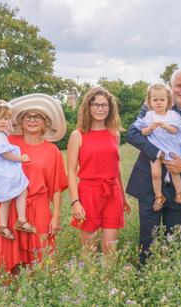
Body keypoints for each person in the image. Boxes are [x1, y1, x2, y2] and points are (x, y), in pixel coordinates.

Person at [126, 68, 181, 264]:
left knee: (175, 241)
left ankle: (173, 282)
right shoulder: (153, 109)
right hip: (149, 185)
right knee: (148, 240)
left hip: (180, 188)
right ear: (171, 87)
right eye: (179, 85)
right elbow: (132, 134)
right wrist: (158, 153)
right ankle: (144, 280)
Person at [0, 93, 68, 274]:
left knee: (42, 258)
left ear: (46, 122)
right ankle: (14, 297)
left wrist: (56, 215)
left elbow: (57, 186)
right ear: (20, 121)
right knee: (12, 261)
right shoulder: (8, 143)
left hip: (40, 207)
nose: (32, 120)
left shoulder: (52, 151)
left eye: (38, 116)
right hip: (11, 207)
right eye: (28, 116)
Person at [67, 87, 130, 257]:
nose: (100, 109)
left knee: (110, 249)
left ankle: (108, 283)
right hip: (88, 194)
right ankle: (88, 283)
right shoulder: (77, 135)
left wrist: (123, 197)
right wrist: (75, 202)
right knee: (89, 248)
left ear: (110, 108)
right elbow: (71, 172)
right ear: (87, 107)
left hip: (112, 193)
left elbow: (116, 169)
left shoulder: (114, 134)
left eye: (104, 105)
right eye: (95, 105)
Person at [133, 83, 181, 210]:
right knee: (155, 174)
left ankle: (179, 193)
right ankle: (159, 196)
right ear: (150, 102)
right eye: (155, 100)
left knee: (174, 171)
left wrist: (165, 126)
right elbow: (143, 132)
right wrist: (150, 128)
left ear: (168, 101)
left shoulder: (172, 115)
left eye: (162, 100)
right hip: (156, 148)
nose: (158, 103)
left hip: (170, 147)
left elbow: (176, 130)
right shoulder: (149, 115)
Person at [0, 99, 35, 240]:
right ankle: (22, 220)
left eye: (6, 118)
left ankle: (3, 226)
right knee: (22, 188)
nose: (4, 122)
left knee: (6, 198)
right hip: (3, 170)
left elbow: (8, 130)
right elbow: (6, 154)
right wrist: (21, 158)